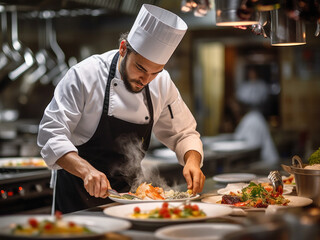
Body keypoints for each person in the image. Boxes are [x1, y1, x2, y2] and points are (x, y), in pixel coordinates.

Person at [37, 4, 205, 213]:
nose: (145, 80)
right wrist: (87, 171)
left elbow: (183, 133)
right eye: (141, 68)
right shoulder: (84, 75)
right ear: (124, 48)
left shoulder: (161, 82)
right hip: (76, 198)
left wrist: (192, 161)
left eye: (155, 72)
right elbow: (50, 135)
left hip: (129, 201)